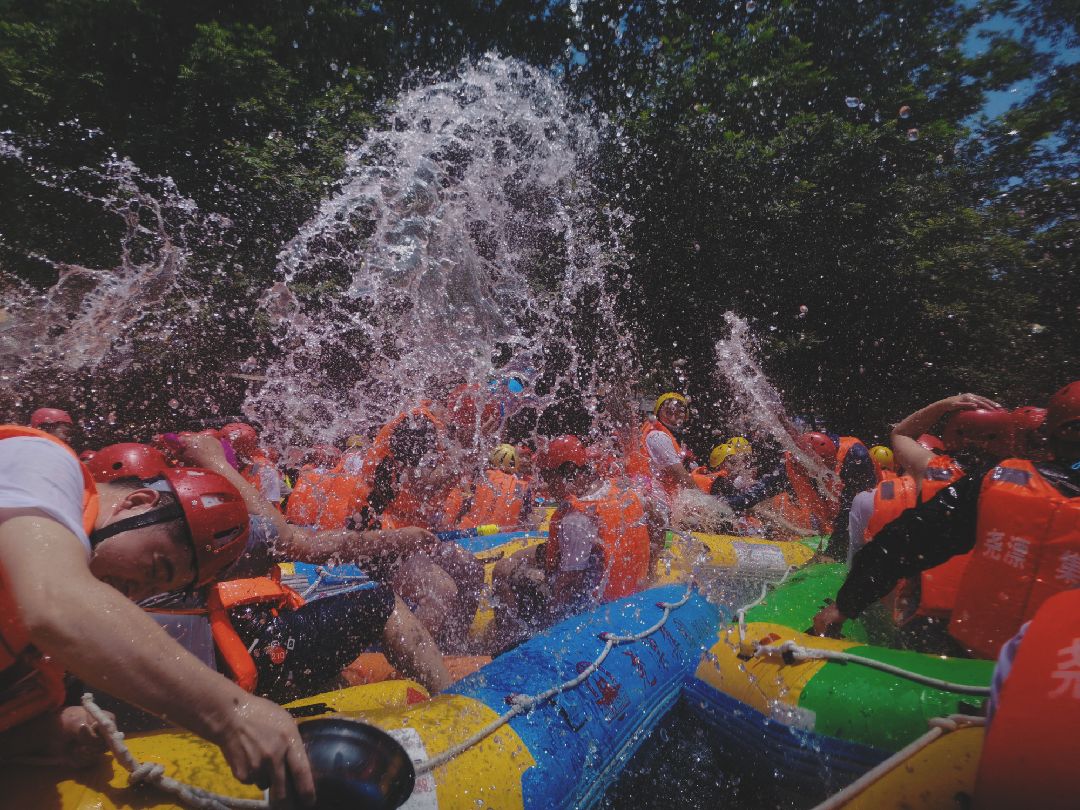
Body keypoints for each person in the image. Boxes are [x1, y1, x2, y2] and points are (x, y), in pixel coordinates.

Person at [0, 424, 314, 803]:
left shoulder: (48, 657)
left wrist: (49, 732)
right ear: (138, 503)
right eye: (156, 569)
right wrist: (231, 713)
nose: (138, 593)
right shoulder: (38, 461)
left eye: (158, 590)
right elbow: (55, 602)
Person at [811, 380, 1080, 661]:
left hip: (955, 640)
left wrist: (845, 604)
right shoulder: (995, 478)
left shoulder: (985, 480)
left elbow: (906, 538)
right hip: (1056, 666)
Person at [173, 433, 459, 687]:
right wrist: (217, 462)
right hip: (252, 654)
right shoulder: (208, 524)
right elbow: (285, 539)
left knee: (339, 678)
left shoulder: (153, 537)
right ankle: (446, 697)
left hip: (204, 663)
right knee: (383, 603)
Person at [487, 436, 654, 653]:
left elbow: (564, 592)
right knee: (520, 559)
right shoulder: (622, 490)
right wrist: (649, 571)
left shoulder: (576, 519)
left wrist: (541, 637)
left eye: (548, 476)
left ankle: (508, 647)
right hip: (627, 596)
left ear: (570, 471)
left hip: (592, 615)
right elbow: (657, 518)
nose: (545, 484)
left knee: (502, 570)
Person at [626, 392, 696, 496]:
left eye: (678, 414)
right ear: (658, 413)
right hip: (651, 495)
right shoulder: (657, 436)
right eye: (668, 413)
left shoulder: (662, 434)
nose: (673, 418)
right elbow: (683, 479)